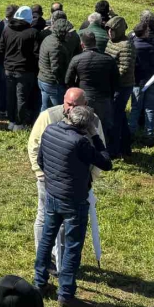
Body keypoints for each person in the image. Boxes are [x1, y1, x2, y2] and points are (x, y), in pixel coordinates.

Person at [35, 105, 112, 307]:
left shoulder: (49, 130)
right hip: (73, 201)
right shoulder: (80, 142)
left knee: (46, 239)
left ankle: (39, 283)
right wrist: (95, 136)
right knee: (72, 247)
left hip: (52, 195)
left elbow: (40, 160)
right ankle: (66, 295)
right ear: (86, 127)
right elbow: (106, 162)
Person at [28, 88, 104, 280]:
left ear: (85, 105)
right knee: (44, 221)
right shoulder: (48, 117)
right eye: (68, 104)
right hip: (49, 183)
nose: (70, 109)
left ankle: (60, 263)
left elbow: (100, 155)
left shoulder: (93, 121)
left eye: (75, 105)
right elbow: (34, 146)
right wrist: (42, 175)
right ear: (64, 101)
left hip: (77, 187)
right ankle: (46, 261)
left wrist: (90, 180)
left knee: (65, 229)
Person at [65, 31, 119, 156]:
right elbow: (116, 80)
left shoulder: (77, 59)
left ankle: (81, 149)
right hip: (103, 97)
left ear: (82, 45)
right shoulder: (107, 59)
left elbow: (68, 80)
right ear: (95, 43)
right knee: (103, 126)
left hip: (84, 98)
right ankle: (104, 151)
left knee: (81, 123)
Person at [1, 6, 39, 130]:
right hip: (24, 70)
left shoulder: (7, 29)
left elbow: (1, 47)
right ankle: (19, 123)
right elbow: (36, 53)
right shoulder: (32, 33)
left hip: (8, 67)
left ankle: (11, 121)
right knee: (21, 97)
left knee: (10, 95)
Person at [104, 16, 136, 156]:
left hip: (122, 86)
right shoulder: (111, 41)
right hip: (113, 84)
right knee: (120, 115)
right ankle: (125, 146)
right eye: (108, 30)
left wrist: (111, 78)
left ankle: (114, 150)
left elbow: (124, 68)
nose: (110, 32)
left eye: (113, 30)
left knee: (115, 118)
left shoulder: (126, 45)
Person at [130, 20, 154, 142]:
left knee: (135, 108)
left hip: (137, 82)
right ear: (144, 33)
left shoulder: (132, 46)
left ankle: (131, 132)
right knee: (150, 109)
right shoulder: (153, 47)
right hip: (152, 81)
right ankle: (149, 134)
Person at [37, 17, 75, 111]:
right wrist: (64, 82)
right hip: (52, 83)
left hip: (43, 79)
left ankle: (42, 124)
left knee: (45, 107)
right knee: (59, 110)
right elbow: (56, 69)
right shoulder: (56, 46)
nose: (70, 34)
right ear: (62, 32)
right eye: (68, 32)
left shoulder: (49, 38)